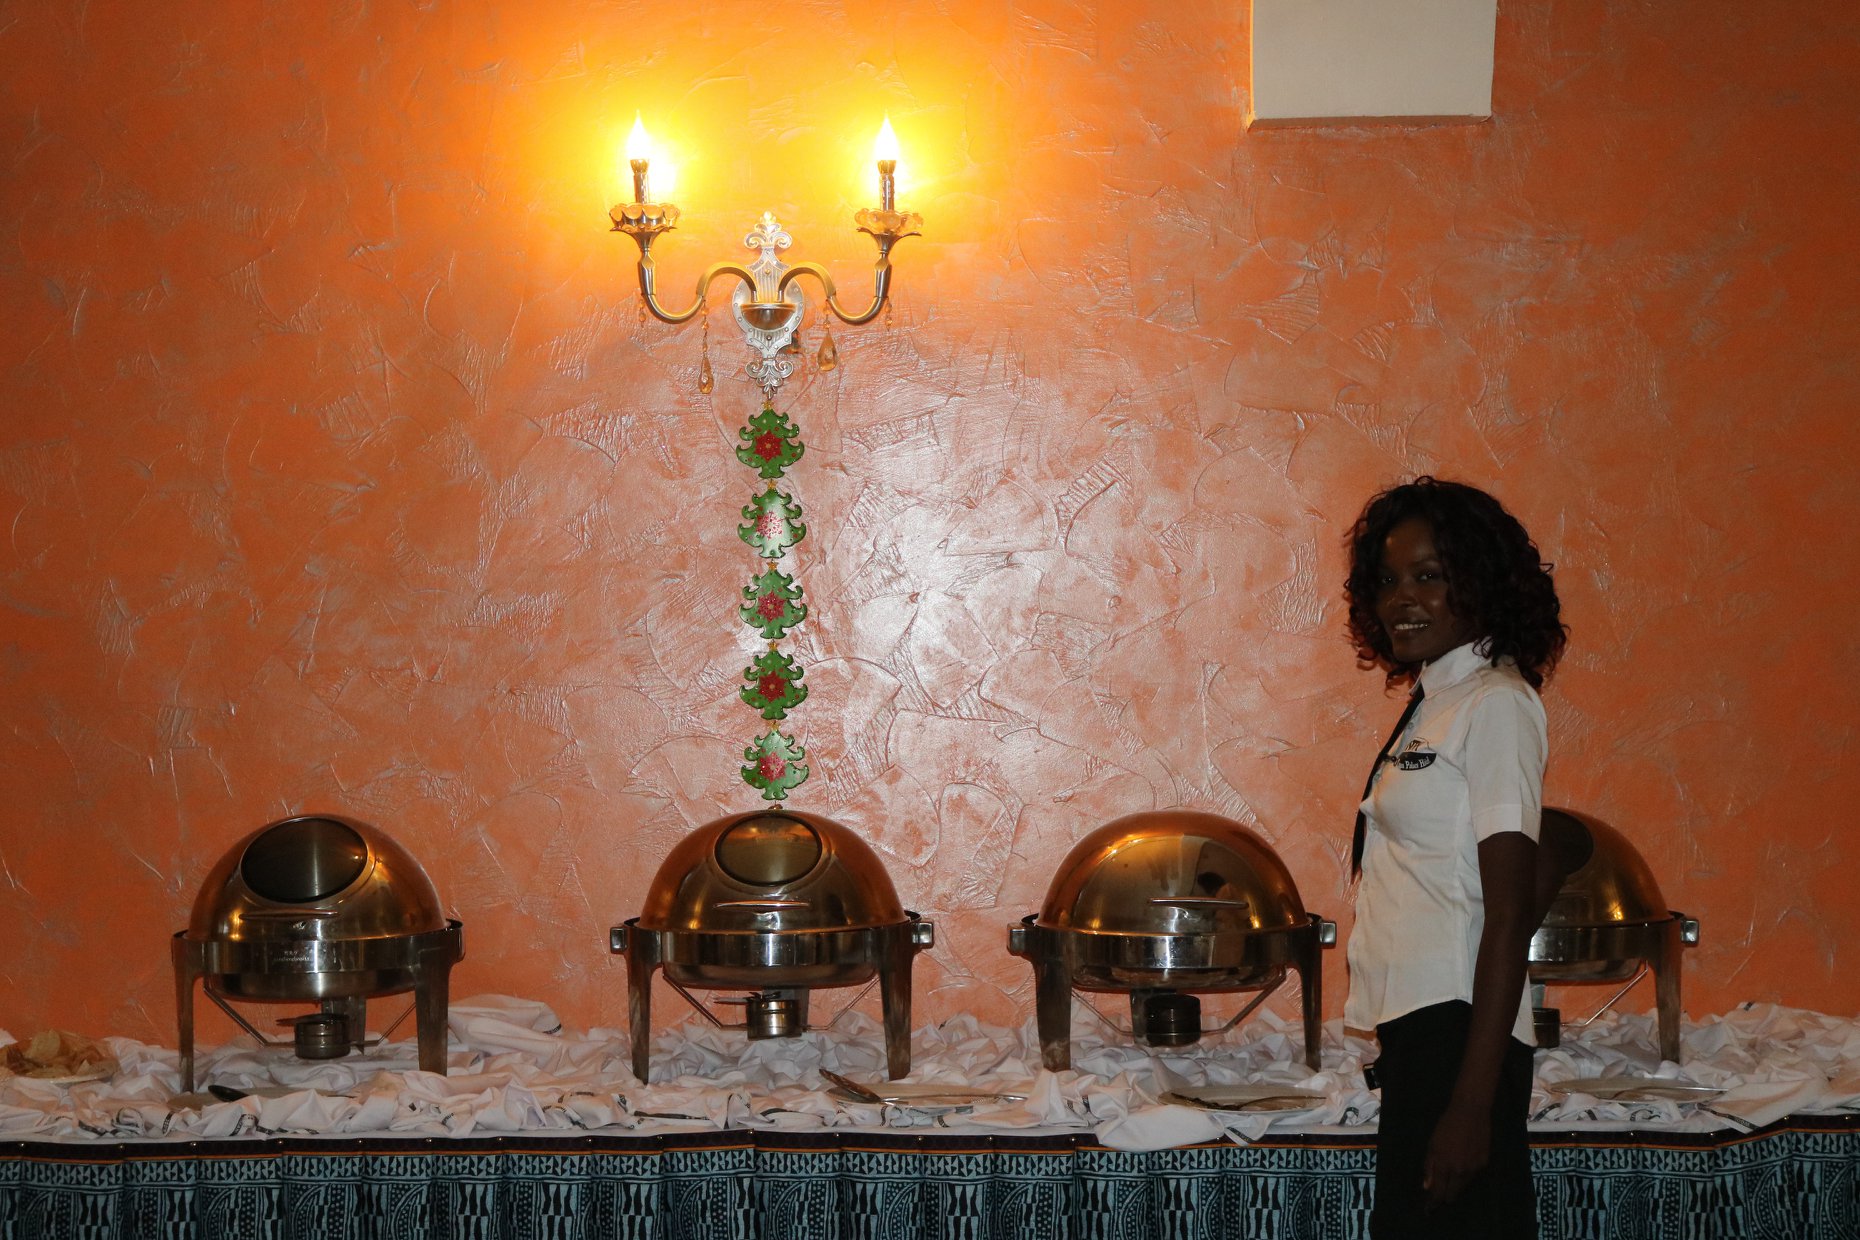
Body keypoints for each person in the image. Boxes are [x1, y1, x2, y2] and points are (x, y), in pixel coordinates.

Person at [1341, 477, 1578, 1239]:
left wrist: (1473, 1107)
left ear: (1481, 584)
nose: (1401, 599)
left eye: (1429, 576)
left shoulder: (1496, 703)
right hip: (1419, 1036)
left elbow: (1506, 914)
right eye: (1387, 580)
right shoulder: (1437, 701)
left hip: (1460, 1035)